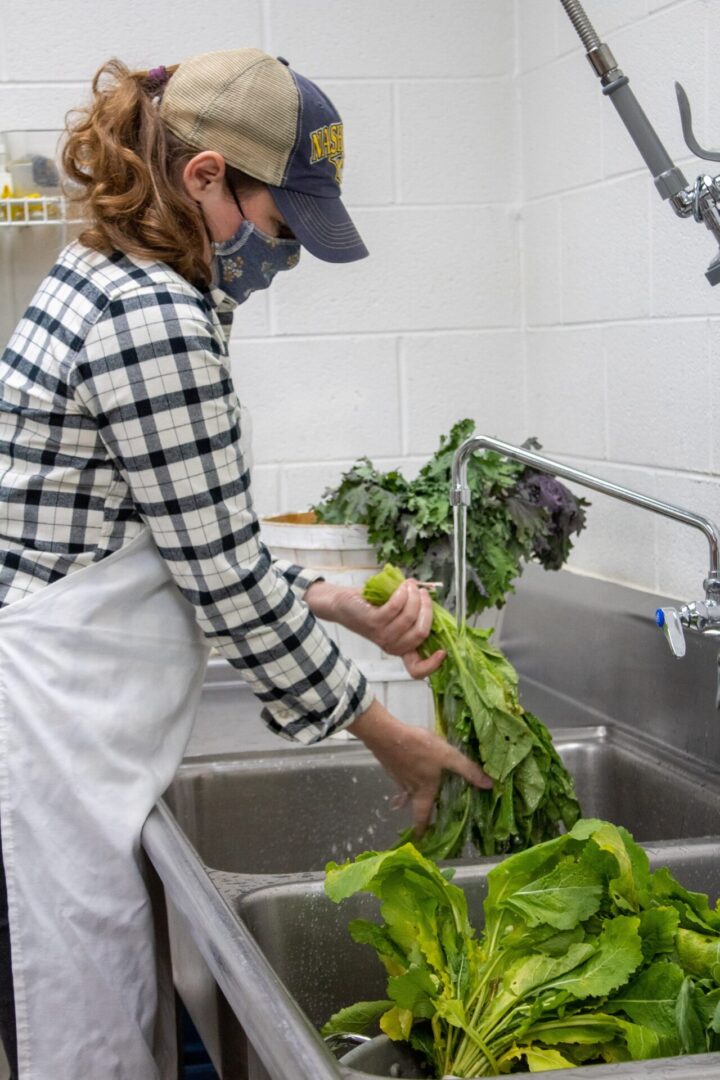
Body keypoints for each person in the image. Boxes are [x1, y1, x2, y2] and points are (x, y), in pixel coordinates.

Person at [0, 49, 491, 1079]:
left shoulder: (118, 271)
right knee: (83, 1026)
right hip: (46, 725)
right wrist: (386, 734)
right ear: (207, 177)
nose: (287, 258)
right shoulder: (152, 319)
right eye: (283, 228)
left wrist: (334, 605)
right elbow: (217, 578)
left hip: (67, 703)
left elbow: (184, 531)